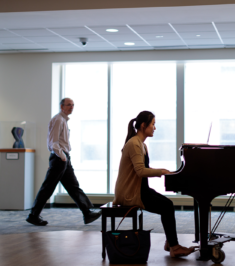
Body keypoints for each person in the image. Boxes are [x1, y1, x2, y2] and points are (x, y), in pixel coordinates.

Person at [113, 111, 197, 258]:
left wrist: (163, 172)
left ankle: (171, 243)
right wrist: (162, 171)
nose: (154, 128)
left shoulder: (141, 145)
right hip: (131, 193)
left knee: (168, 204)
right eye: (153, 124)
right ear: (143, 125)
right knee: (167, 207)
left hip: (140, 189)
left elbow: (141, 170)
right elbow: (140, 171)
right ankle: (174, 246)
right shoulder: (134, 143)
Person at [26, 98, 101, 226]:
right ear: (62, 106)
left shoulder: (63, 120)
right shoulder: (58, 120)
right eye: (68, 105)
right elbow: (53, 142)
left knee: (73, 186)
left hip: (63, 157)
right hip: (59, 158)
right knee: (48, 187)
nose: (71, 107)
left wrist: (65, 156)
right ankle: (33, 215)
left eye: (73, 105)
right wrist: (62, 156)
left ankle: (87, 213)